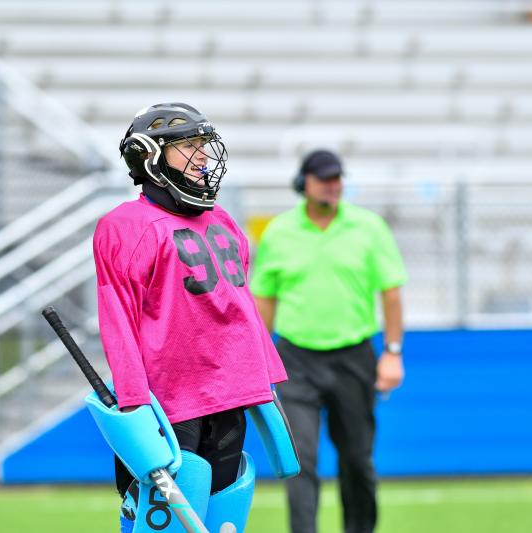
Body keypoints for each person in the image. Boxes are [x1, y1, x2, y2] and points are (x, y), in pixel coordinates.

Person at [93, 102, 293, 533]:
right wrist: (133, 402)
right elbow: (118, 319)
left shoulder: (221, 219)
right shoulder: (126, 225)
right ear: (149, 157)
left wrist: (264, 379)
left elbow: (240, 306)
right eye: (188, 146)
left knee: (223, 520)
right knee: (161, 524)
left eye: (203, 143)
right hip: (170, 402)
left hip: (230, 393)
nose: (202, 155)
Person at [251, 149, 406, 533]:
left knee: (357, 459)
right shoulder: (280, 232)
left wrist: (392, 353)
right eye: (324, 179)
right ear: (304, 184)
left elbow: (391, 292)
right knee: (299, 460)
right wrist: (258, 358)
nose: (334, 186)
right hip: (296, 359)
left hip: (353, 356)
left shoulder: (368, 227)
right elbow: (265, 300)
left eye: (338, 178)